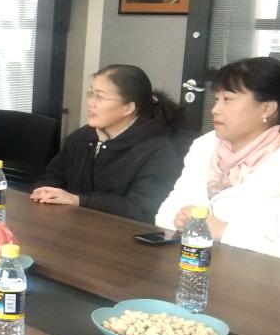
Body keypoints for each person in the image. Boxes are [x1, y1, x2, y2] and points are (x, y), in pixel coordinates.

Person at [155, 58, 280, 268]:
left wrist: (225, 232)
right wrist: (179, 219)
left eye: (228, 99)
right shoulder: (203, 153)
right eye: (217, 99)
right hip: (191, 274)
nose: (215, 109)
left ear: (267, 109)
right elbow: (164, 217)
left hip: (251, 288)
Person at [31, 65, 181, 224]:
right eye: (91, 94)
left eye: (100, 97)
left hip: (121, 234)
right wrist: (46, 191)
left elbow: (139, 208)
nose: (91, 103)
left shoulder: (158, 150)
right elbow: (53, 175)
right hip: (73, 225)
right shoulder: (83, 135)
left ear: (128, 108)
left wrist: (78, 200)